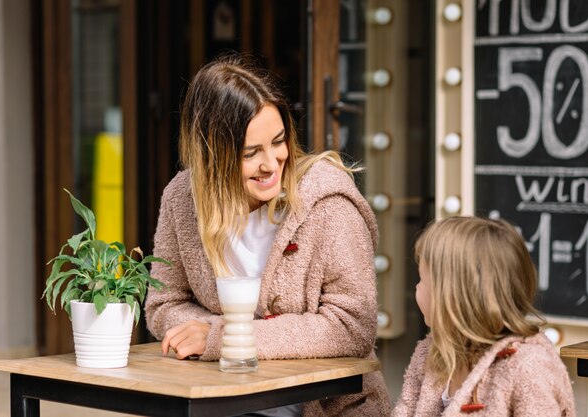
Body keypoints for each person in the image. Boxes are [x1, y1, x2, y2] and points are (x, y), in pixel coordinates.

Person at [144, 54, 391, 417]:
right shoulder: (183, 198)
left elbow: (352, 327)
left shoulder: (328, 202)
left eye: (279, 141)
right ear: (213, 155)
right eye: (250, 153)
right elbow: (163, 304)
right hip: (219, 403)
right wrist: (212, 337)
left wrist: (223, 339)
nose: (272, 163)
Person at [393, 216, 576, 416]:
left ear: (454, 296)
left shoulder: (528, 367)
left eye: (422, 279)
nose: (416, 287)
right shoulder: (428, 354)